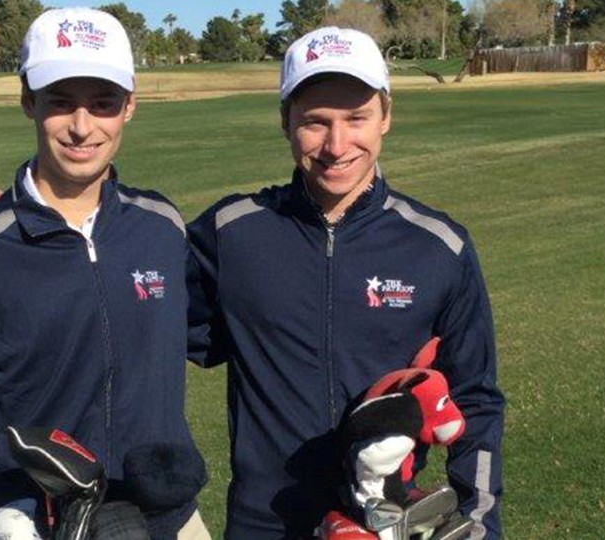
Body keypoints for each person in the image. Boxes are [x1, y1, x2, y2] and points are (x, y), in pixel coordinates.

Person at [186, 27, 505, 539]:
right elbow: (130, 303)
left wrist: (482, 522)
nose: (337, 145)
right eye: (316, 122)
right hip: (263, 526)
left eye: (356, 118)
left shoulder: (439, 246)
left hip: (387, 525)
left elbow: (477, 400)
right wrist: (24, 219)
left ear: (386, 117)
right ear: (285, 121)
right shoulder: (232, 234)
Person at [0, 8, 209, 540]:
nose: (82, 126)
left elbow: (230, 331)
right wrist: (2, 510)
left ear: (129, 107)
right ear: (28, 101)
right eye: (61, 102)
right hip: (41, 525)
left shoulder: (161, 226)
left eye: (103, 103)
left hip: (169, 519)